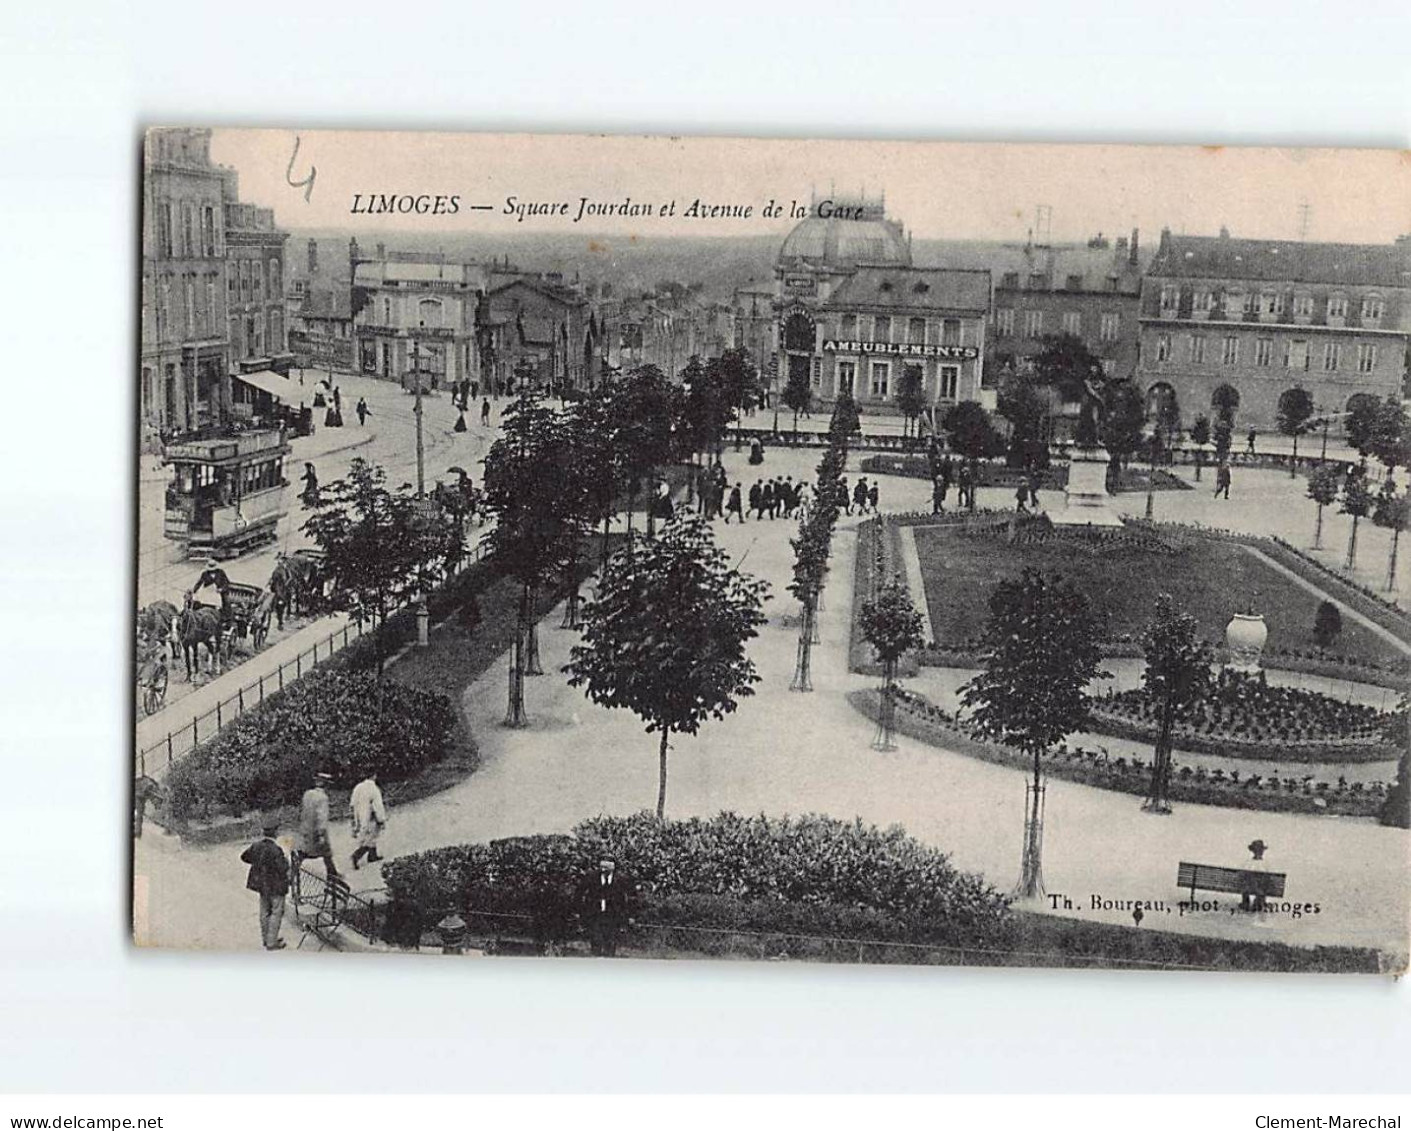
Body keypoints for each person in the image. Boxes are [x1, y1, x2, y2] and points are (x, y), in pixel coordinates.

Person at [241, 817, 290, 951]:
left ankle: (266, 939)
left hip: (262, 885)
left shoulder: (256, 846)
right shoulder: (276, 849)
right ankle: (271, 942)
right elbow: (283, 867)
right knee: (276, 912)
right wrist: (286, 859)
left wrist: (258, 864)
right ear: (275, 832)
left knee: (264, 911)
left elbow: (244, 857)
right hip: (276, 885)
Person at [581, 855, 631, 957]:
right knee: (595, 941)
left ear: (613, 868)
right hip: (596, 915)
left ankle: (609, 963)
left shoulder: (621, 879)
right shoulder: (592, 877)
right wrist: (581, 912)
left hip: (613, 916)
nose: (604, 870)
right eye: (602, 867)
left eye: (606, 868)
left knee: (611, 942)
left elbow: (630, 898)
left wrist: (629, 915)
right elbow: (580, 893)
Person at [294, 772, 340, 878]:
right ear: (326, 785)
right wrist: (321, 834)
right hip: (317, 831)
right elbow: (321, 817)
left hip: (306, 828)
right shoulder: (323, 798)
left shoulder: (307, 794)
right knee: (326, 853)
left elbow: (302, 811)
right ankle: (333, 875)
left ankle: (292, 873)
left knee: (304, 852)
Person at [349, 773, 388, 870]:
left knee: (367, 836)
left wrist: (354, 820)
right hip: (371, 816)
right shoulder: (374, 789)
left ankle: (372, 855)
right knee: (371, 837)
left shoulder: (358, 787)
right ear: (374, 776)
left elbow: (352, 804)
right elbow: (377, 806)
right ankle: (356, 855)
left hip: (360, 817)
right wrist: (381, 819)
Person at [191, 556, 231, 628]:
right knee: (196, 602)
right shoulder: (204, 574)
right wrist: (193, 590)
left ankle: (226, 619)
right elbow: (199, 583)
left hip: (219, 592)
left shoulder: (221, 573)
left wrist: (221, 589)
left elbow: (226, 583)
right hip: (209, 592)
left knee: (226, 601)